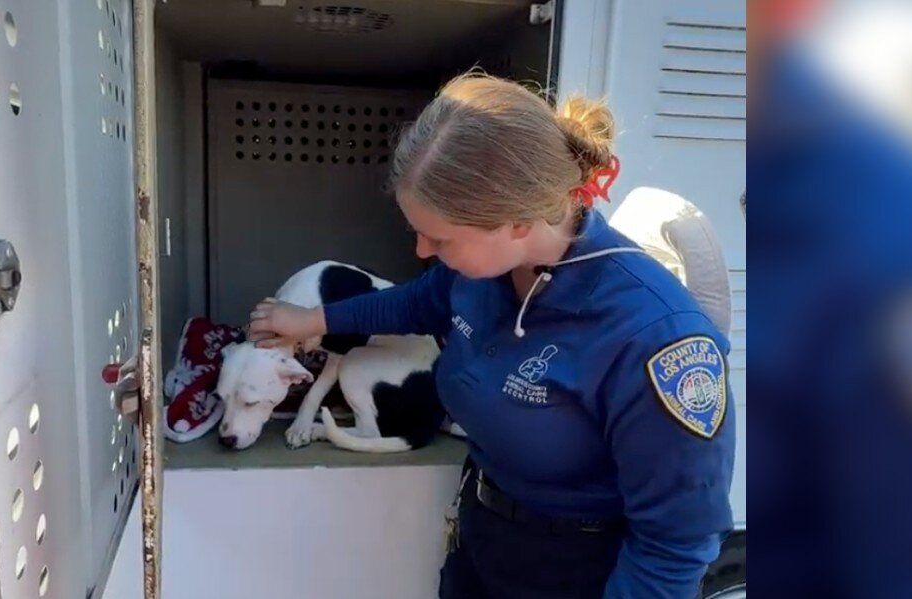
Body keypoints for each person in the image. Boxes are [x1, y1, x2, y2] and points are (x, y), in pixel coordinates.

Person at [247, 73, 735, 599]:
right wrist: (312, 320)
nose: (421, 250)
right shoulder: (479, 273)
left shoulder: (656, 339)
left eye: (439, 238)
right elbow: (416, 301)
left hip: (578, 570)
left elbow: (676, 544)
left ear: (519, 222)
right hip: (484, 539)